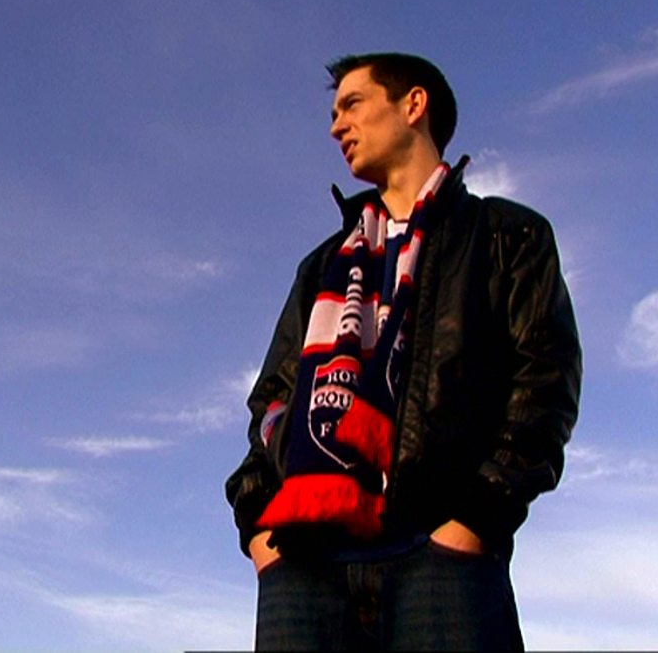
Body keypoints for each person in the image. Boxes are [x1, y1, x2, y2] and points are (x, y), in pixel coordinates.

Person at [225, 52, 582, 651]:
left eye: (352, 105)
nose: (336, 126)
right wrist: (259, 530)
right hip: (306, 565)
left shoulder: (504, 234)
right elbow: (273, 402)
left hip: (440, 559)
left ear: (414, 105)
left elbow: (545, 382)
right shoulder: (323, 265)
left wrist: (476, 519)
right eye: (334, 113)